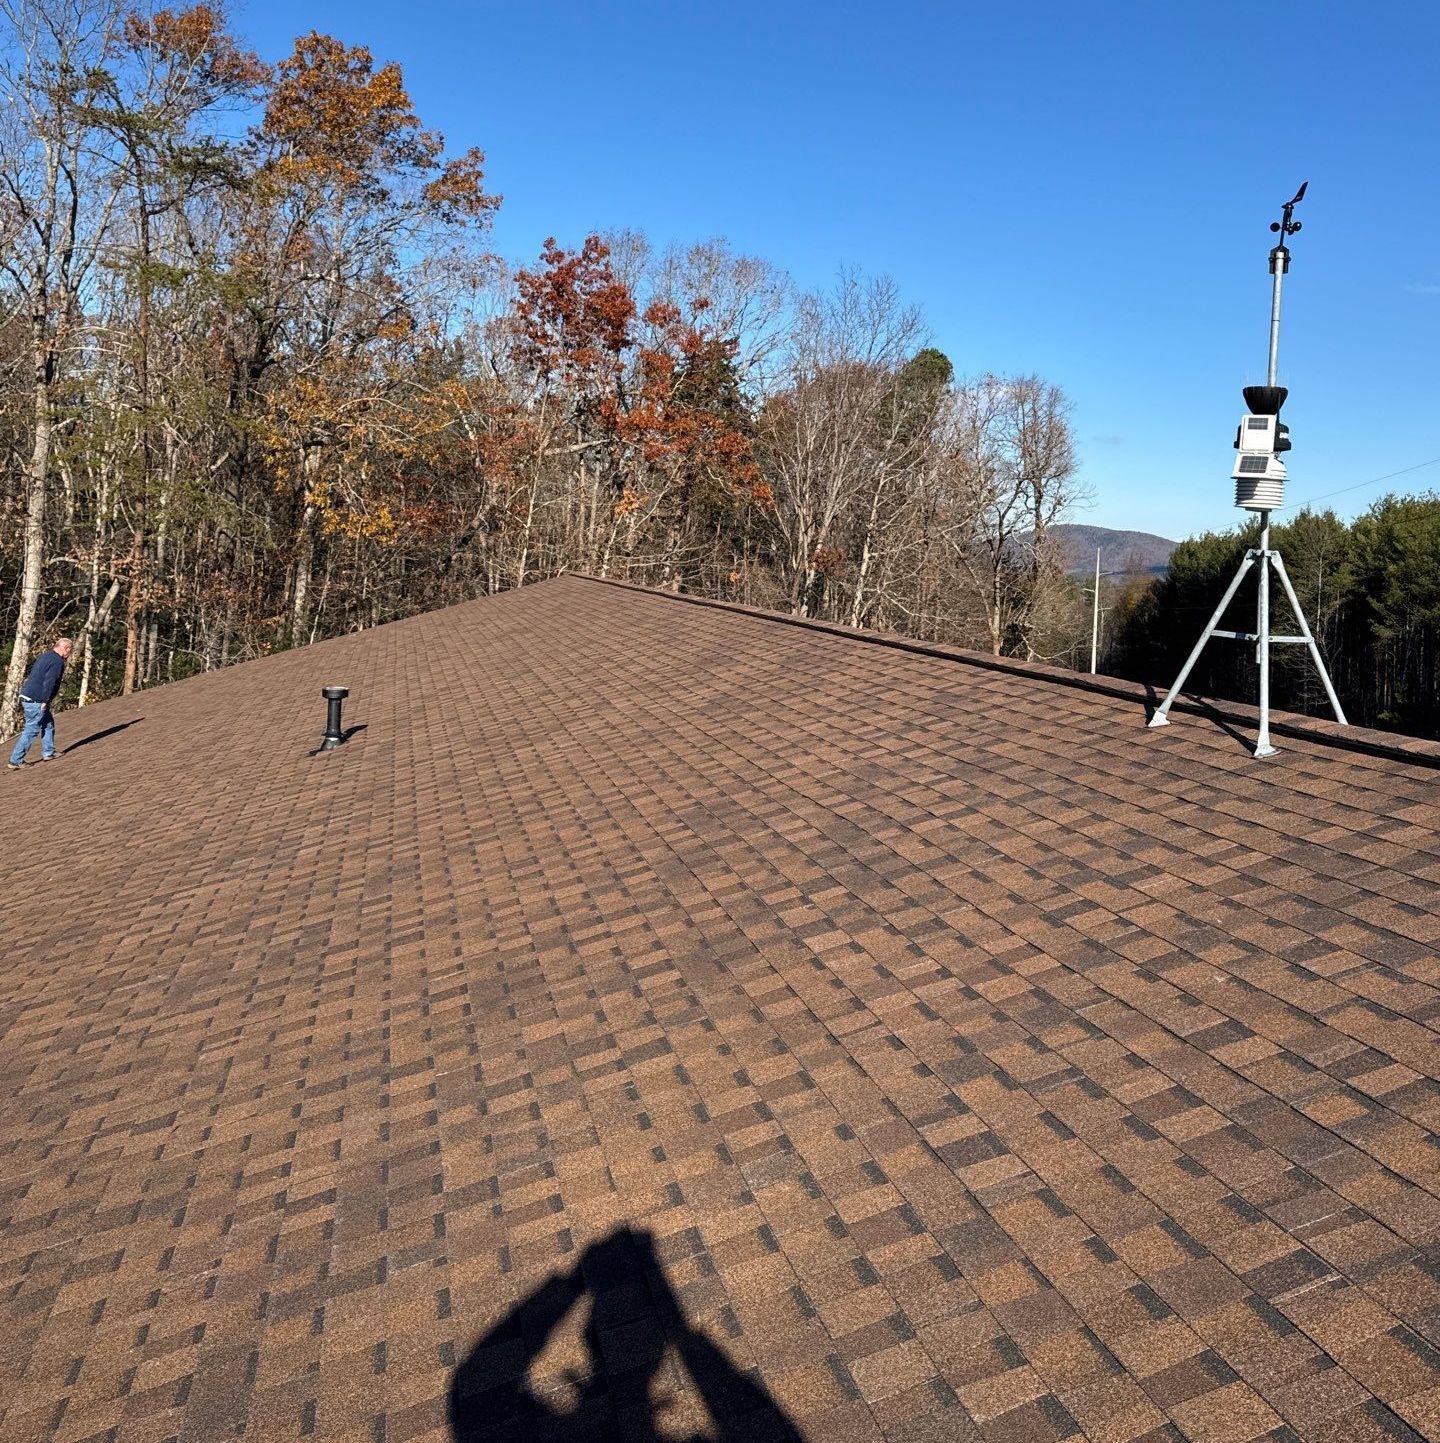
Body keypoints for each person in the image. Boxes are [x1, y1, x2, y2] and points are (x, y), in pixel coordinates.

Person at [7, 638, 73, 770]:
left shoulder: (46, 656)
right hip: (37, 699)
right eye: (70, 651)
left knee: (48, 723)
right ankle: (15, 760)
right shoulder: (57, 661)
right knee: (31, 729)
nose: (69, 654)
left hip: (28, 695)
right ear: (66, 648)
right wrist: (45, 700)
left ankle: (48, 752)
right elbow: (50, 682)